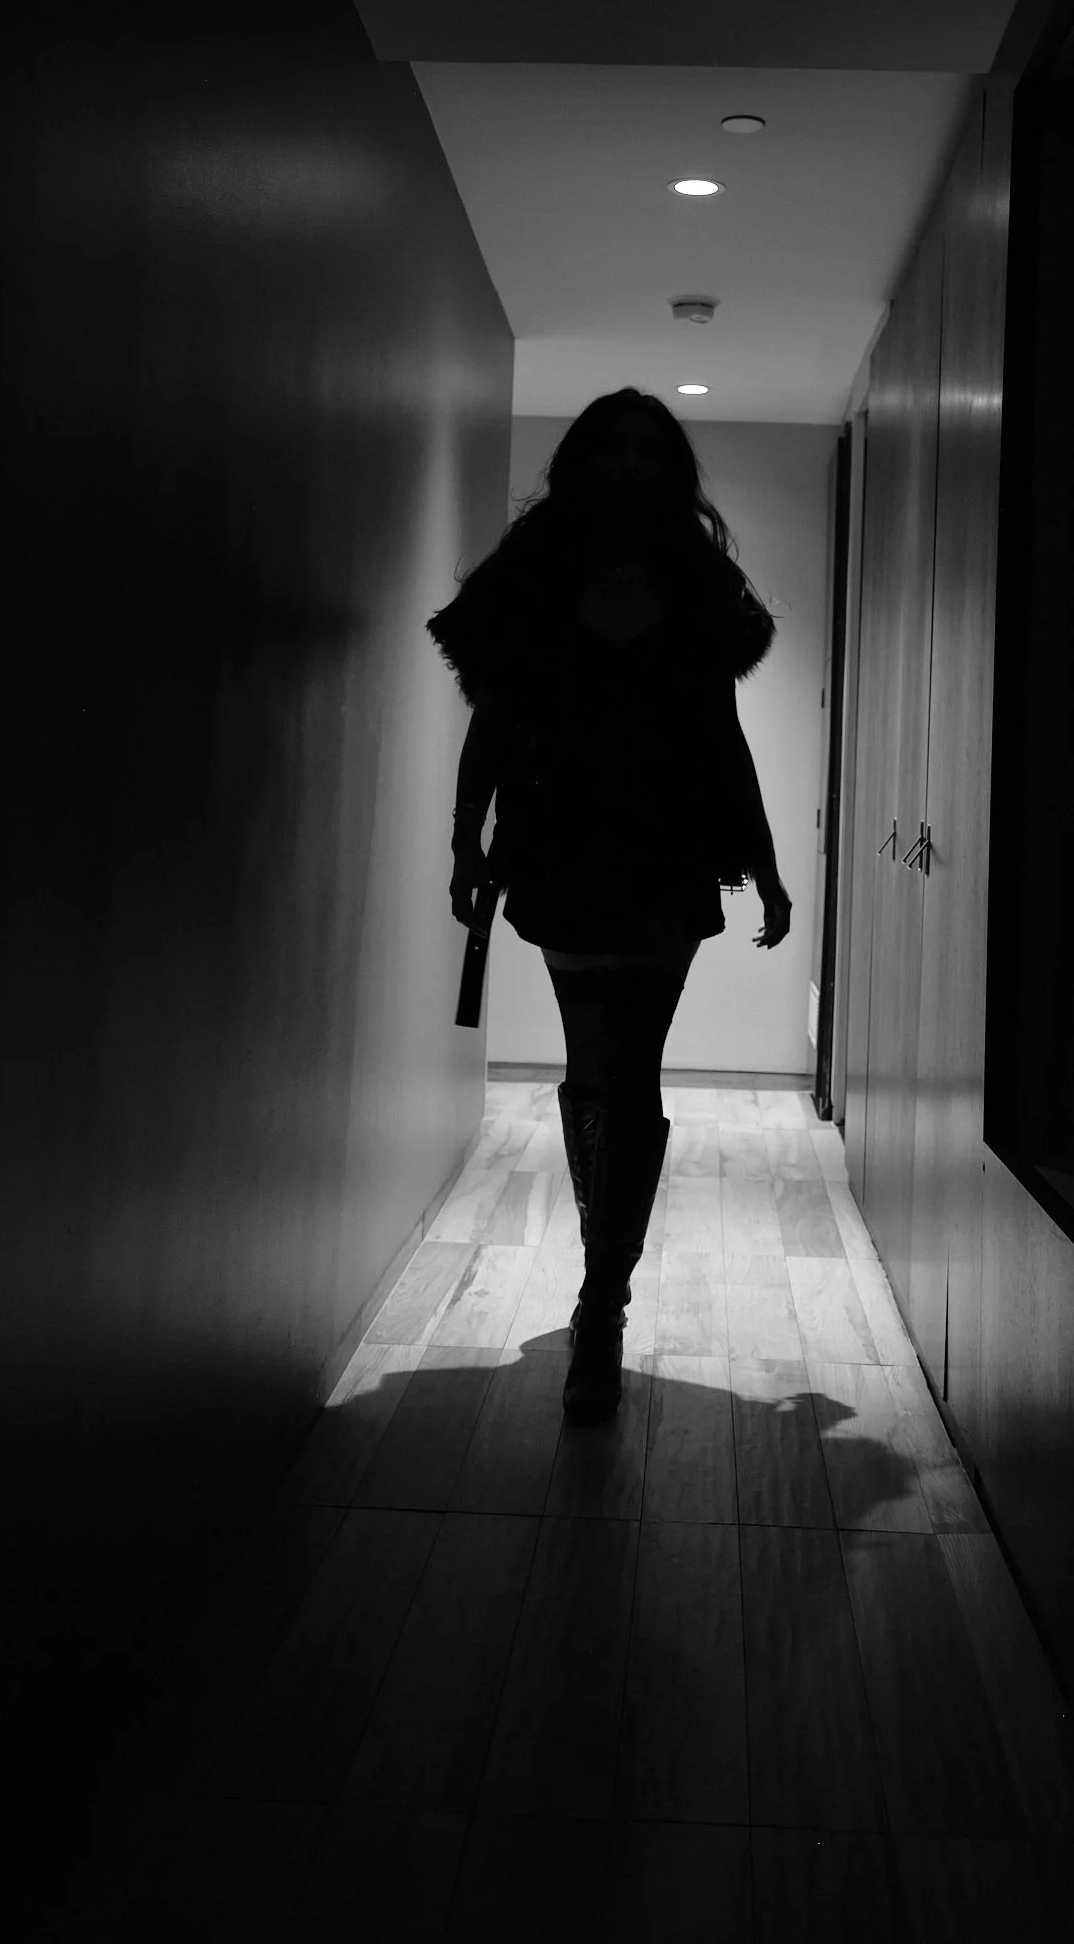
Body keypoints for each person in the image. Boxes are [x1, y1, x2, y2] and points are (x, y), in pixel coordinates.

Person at [426, 388, 793, 1425]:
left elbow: (722, 737)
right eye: (615, 446)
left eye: (650, 448)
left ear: (670, 470)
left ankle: (602, 1297)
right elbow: (492, 724)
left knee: (627, 1071)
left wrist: (762, 861)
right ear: (584, 461)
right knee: (602, 1072)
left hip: (668, 852)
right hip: (562, 848)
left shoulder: (693, 585)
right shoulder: (534, 581)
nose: (632, 464)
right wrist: (466, 838)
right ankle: (605, 1285)